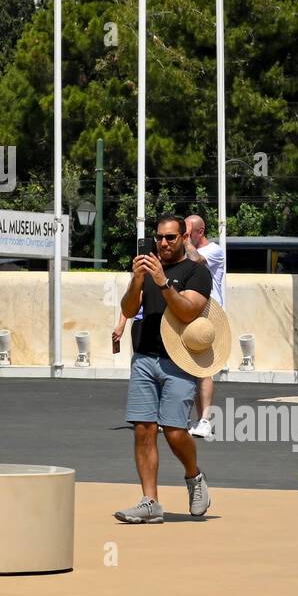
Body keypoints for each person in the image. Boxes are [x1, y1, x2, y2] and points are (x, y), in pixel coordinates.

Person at [113, 214, 213, 524]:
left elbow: (188, 310)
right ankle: (150, 501)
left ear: (184, 238)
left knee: (174, 431)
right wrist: (137, 280)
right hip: (144, 356)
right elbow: (129, 310)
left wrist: (163, 283)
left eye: (170, 237)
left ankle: (194, 477)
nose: (163, 243)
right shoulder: (148, 269)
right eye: (159, 238)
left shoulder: (197, 273)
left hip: (179, 361)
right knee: (143, 429)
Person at [184, 215, 225, 438]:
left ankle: (205, 419)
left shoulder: (214, 251)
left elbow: (197, 260)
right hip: (191, 310)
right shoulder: (187, 247)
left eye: (189, 232)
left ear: (200, 232)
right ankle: (195, 419)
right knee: (188, 366)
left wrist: (184, 241)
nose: (185, 236)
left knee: (204, 367)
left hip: (210, 313)